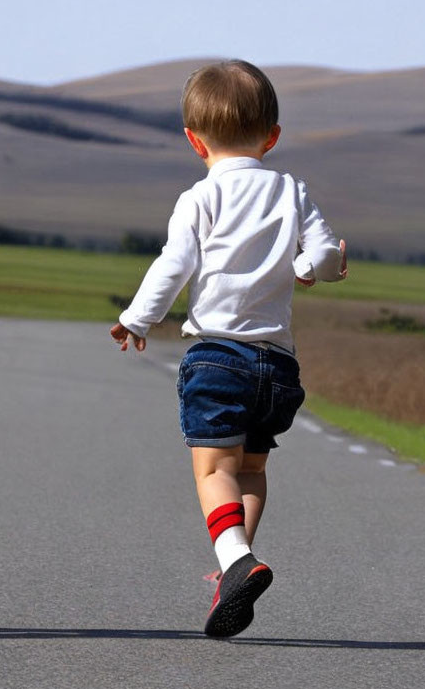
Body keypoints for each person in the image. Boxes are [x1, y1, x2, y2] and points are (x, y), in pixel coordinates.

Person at [110, 60, 347, 638]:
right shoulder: (293, 190)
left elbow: (175, 266)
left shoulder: (200, 197)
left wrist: (138, 318)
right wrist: (317, 266)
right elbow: (322, 257)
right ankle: (233, 567)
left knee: (213, 468)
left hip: (218, 356)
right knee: (251, 471)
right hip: (277, 364)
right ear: (272, 136)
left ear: (195, 141)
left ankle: (237, 559)